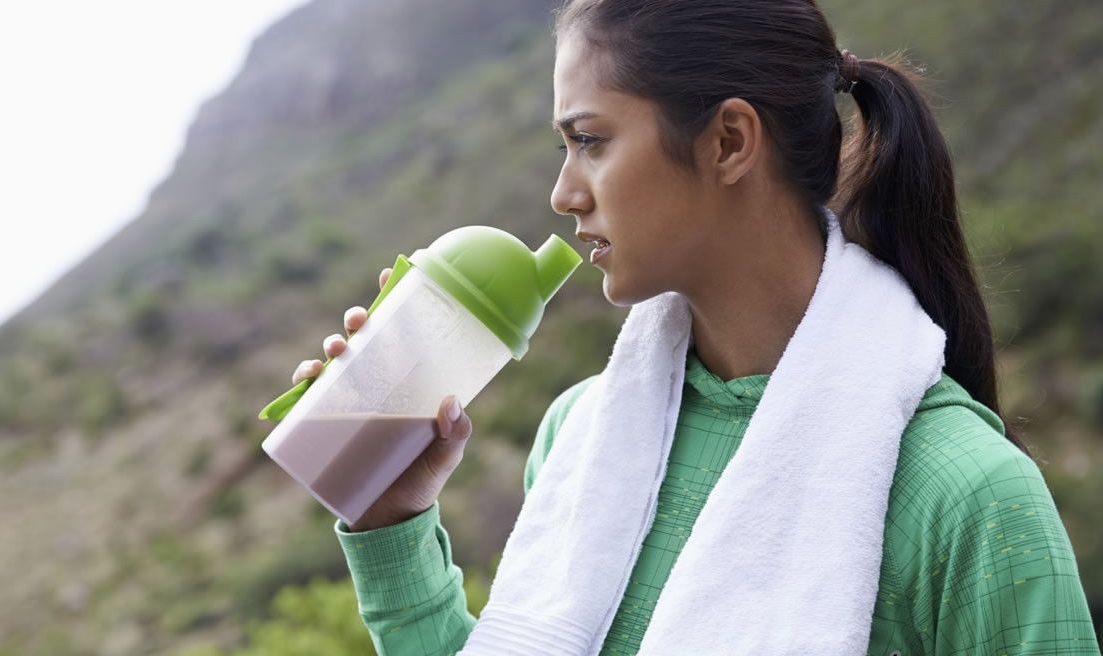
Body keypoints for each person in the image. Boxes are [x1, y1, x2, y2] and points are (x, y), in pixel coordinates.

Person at [290, 1, 1100, 653]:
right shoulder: (581, 438)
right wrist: (392, 519)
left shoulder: (966, 498)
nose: (564, 193)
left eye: (590, 140)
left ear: (729, 141)